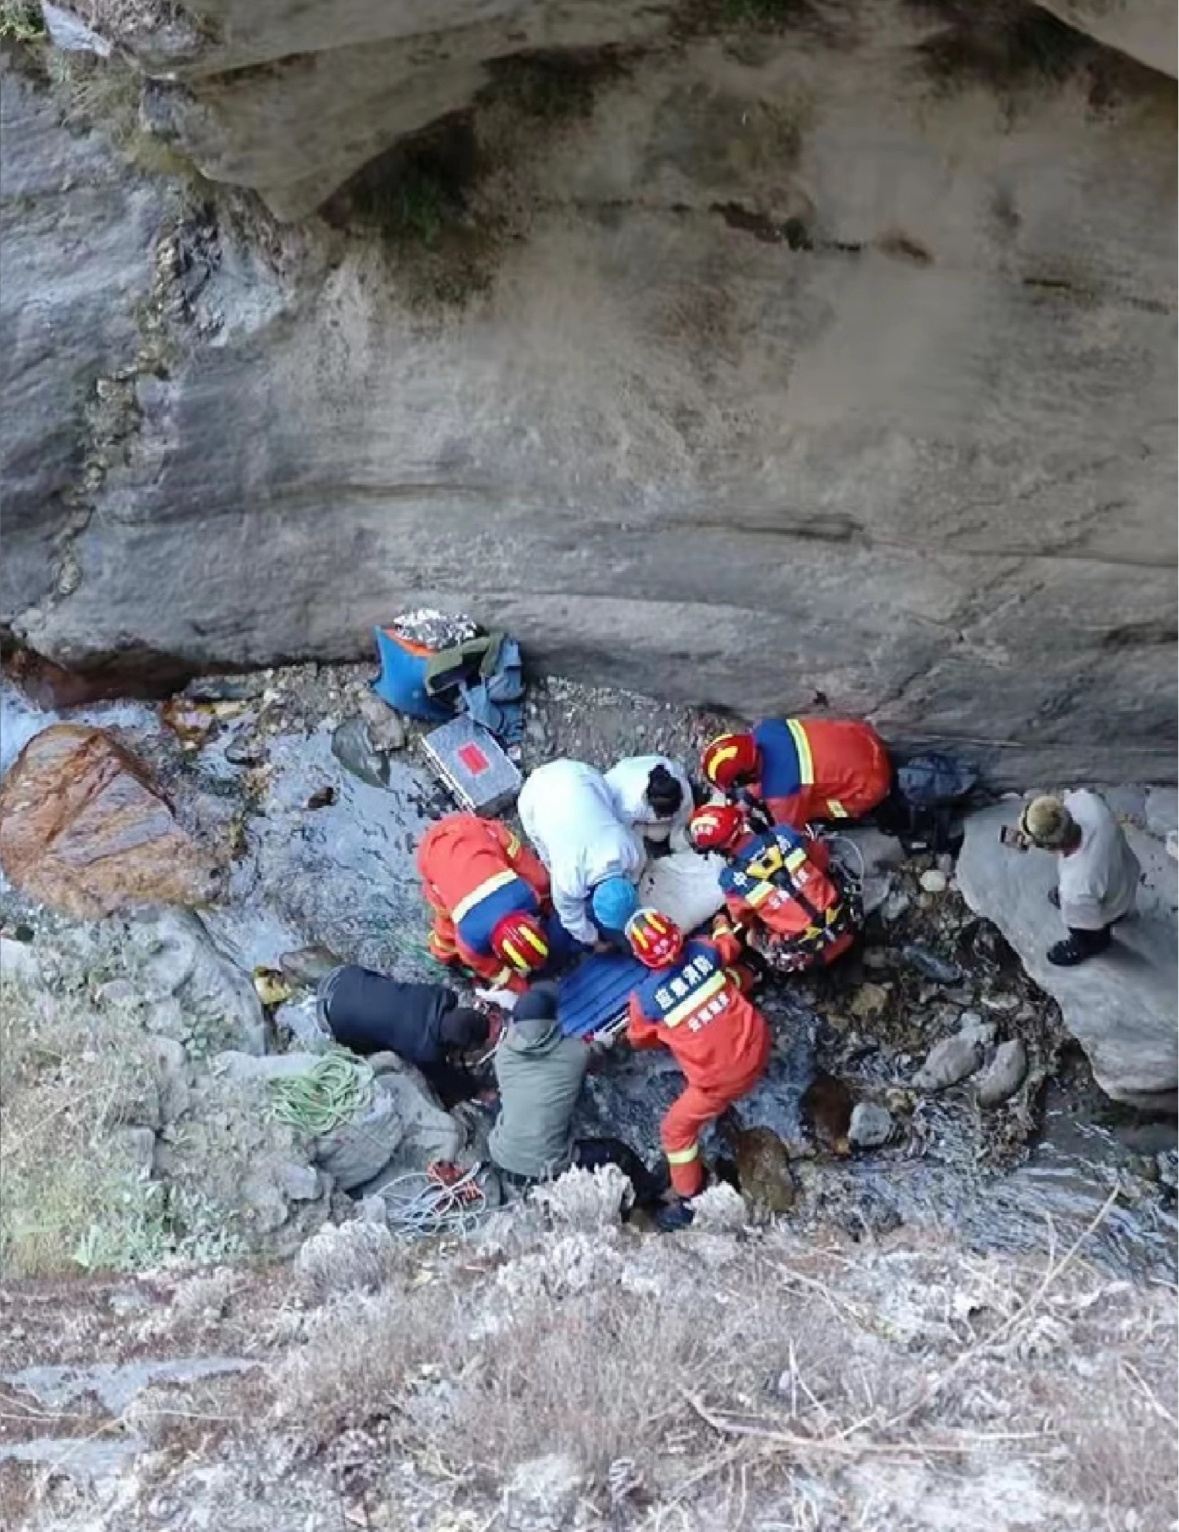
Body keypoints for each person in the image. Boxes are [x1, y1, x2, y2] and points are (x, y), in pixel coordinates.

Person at [624, 908, 771, 1217]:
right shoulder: (704, 949)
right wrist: (720, 923)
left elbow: (639, 1039)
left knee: (675, 1131)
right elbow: (729, 943)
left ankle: (690, 1196)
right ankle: (756, 973)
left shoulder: (646, 1001)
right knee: (729, 979)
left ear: (641, 958)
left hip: (720, 1083)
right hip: (758, 1044)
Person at [487, 983, 666, 1204]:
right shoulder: (575, 1052)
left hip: (502, 1156)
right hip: (545, 1165)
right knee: (619, 1153)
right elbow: (595, 1060)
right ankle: (651, 1194)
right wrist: (603, 1043)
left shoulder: (503, 1055)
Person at [687, 804, 859, 973]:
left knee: (750, 936)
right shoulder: (784, 834)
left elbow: (742, 919)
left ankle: (768, 968)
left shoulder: (731, 882)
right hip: (846, 920)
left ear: (716, 849)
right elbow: (820, 856)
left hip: (810, 952)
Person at [416, 812, 554, 992]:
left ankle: (442, 953)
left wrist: (521, 988)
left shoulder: (525, 896)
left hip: (465, 834)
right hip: (435, 855)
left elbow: (487, 966)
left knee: (448, 933)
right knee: (447, 933)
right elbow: (486, 965)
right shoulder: (472, 941)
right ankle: (441, 952)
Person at [317, 963, 489, 1105]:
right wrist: (476, 1090)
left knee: (391, 999)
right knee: (375, 1045)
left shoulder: (440, 995)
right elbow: (448, 1079)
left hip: (344, 975)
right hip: (332, 1016)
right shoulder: (425, 1050)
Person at [517, 758, 645, 947]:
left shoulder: (626, 847)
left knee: (605, 805)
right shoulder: (566, 879)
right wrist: (594, 941)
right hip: (533, 799)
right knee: (548, 857)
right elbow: (570, 919)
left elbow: (636, 873)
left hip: (576, 774)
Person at [1017, 793, 1141, 966]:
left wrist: (1077, 914)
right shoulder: (1087, 803)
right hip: (1127, 874)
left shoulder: (1076, 888)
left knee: (1082, 925)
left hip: (1109, 907)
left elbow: (1090, 922)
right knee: (1087, 894)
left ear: (1049, 846)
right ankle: (1112, 911)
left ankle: (1092, 944)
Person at [700, 718, 891, 830]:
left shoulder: (781, 796)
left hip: (872, 784)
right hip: (864, 739)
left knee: (807, 809)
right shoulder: (768, 728)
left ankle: (860, 814)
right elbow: (767, 764)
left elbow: (790, 831)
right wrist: (749, 799)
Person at [606, 754, 695, 848]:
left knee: (662, 834)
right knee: (655, 835)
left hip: (631, 768)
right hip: (611, 800)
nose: (660, 817)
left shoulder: (683, 788)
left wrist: (683, 839)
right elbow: (621, 833)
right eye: (660, 814)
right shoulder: (629, 806)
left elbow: (682, 822)